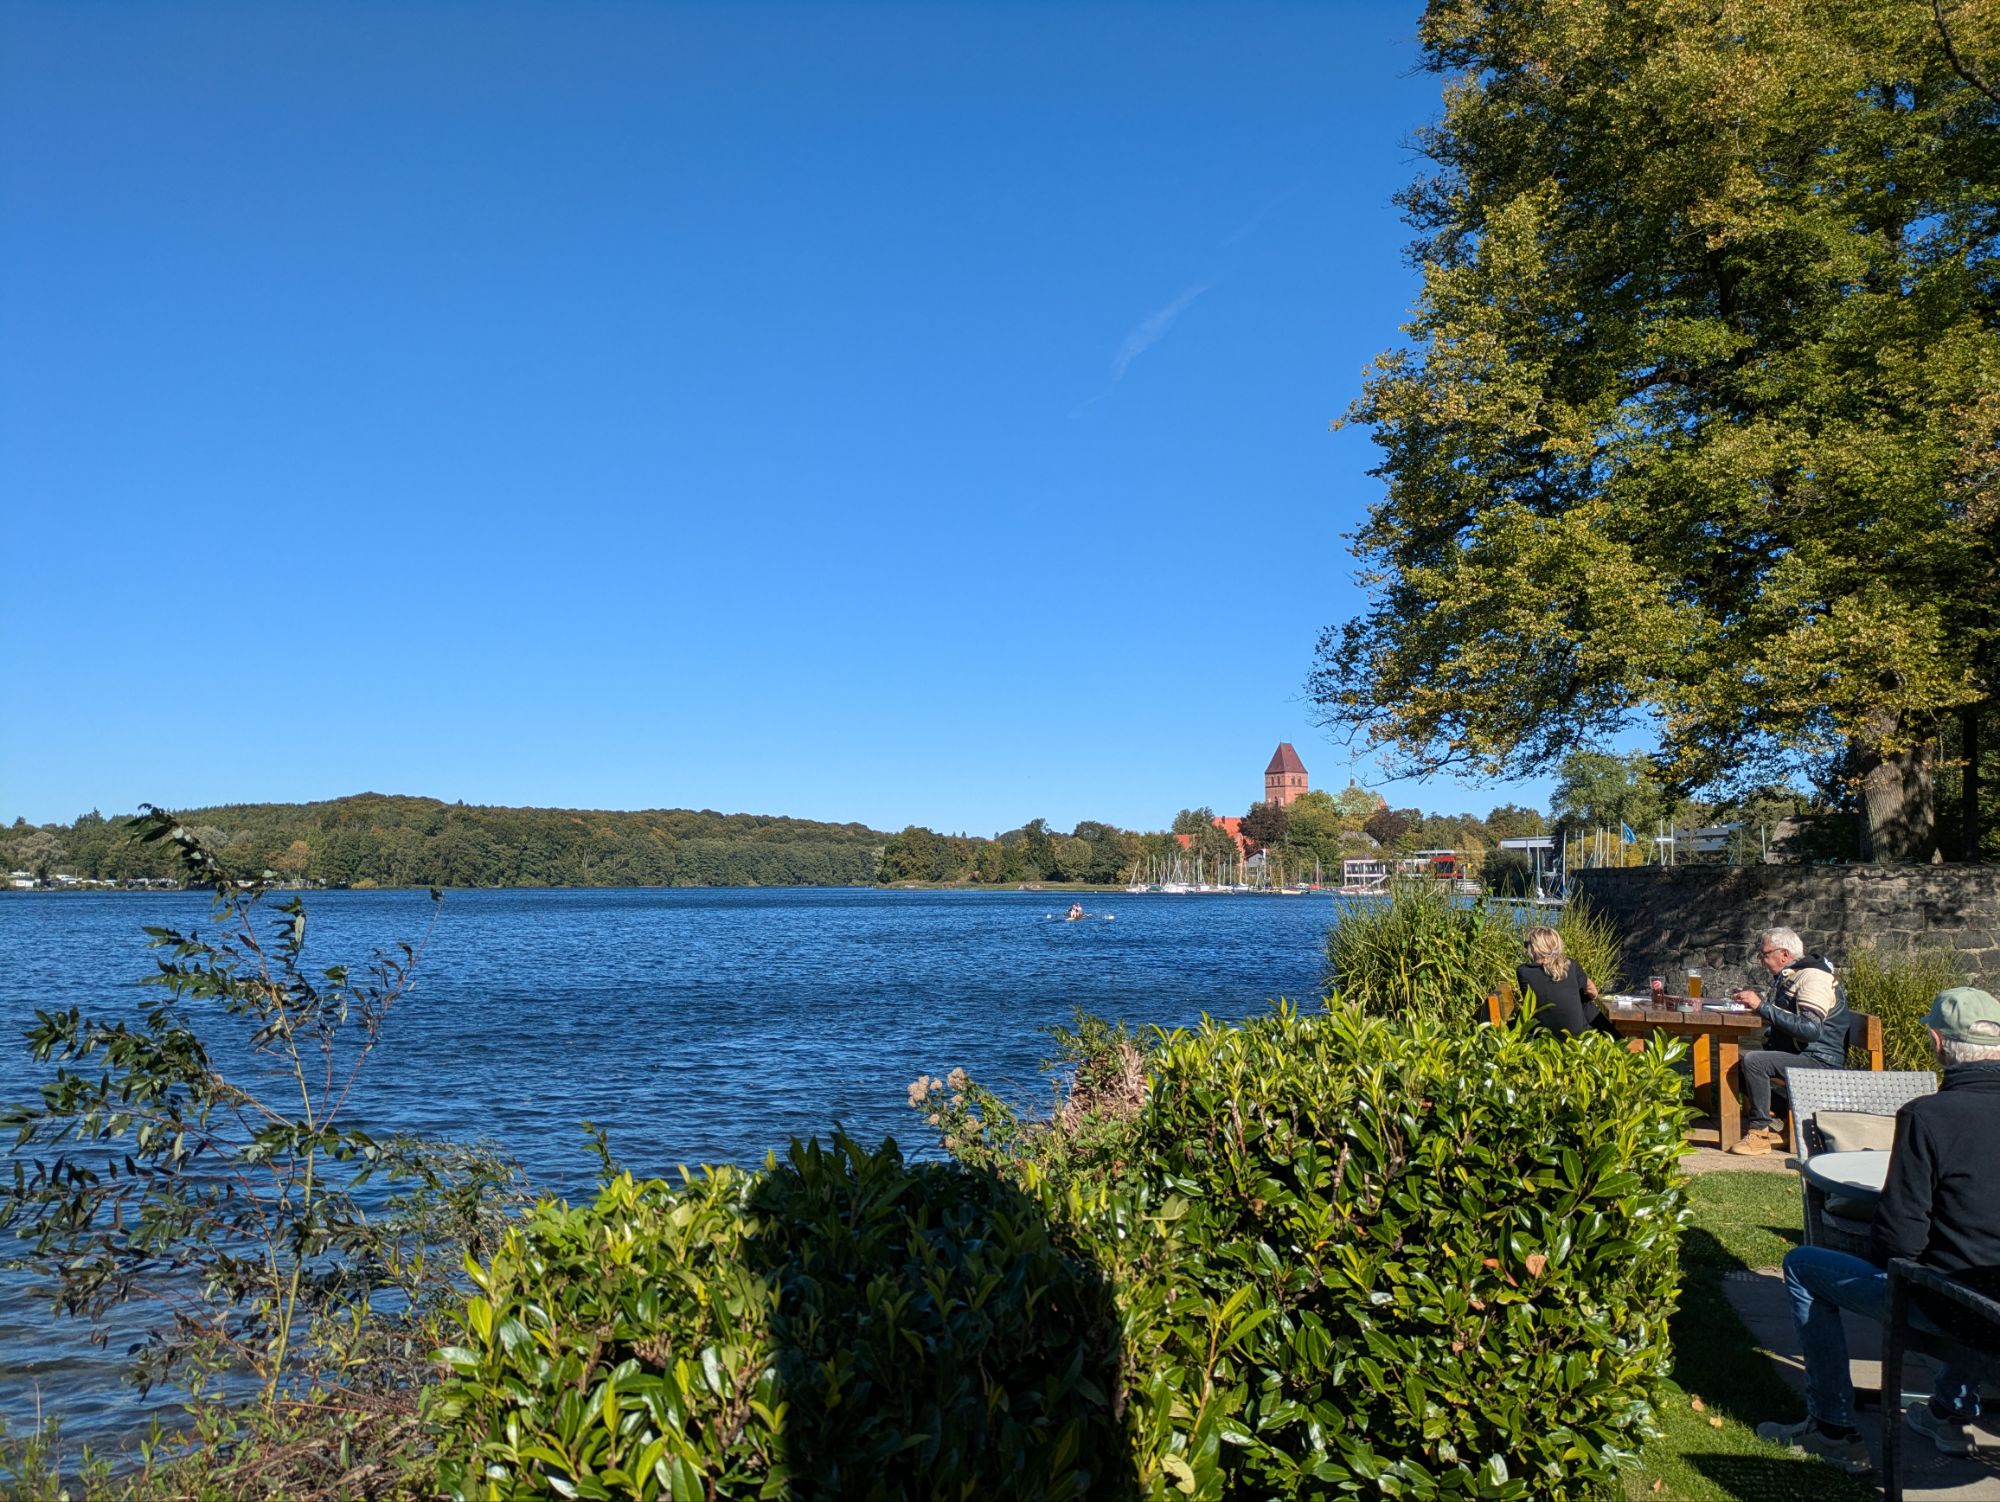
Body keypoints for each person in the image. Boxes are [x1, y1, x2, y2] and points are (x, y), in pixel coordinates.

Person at [1756, 986, 2000, 1471]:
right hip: (1992, 1296)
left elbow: (1898, 1241)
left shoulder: (1928, 1118)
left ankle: (1832, 1429)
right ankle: (1948, 1414)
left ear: (1936, 1041)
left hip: (1959, 1308)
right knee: (1972, 1262)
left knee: (1804, 1266)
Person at [1727, 927, 1852, 1156]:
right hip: (1806, 1053)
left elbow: (1810, 1030)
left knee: (1755, 1062)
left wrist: (1762, 1007)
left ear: (1784, 954)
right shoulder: (1794, 976)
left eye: (1765, 954)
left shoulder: (1813, 978)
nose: (1762, 960)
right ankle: (1786, 1123)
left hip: (1820, 1060)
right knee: (1734, 1064)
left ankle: (1759, 1134)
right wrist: (1757, 1009)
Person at [1515, 926, 1604, 1037]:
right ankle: (1619, 1039)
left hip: (1542, 1035)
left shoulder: (1523, 971)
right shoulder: (1571, 965)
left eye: (1527, 945)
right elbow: (1593, 992)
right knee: (1585, 1001)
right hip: (1577, 1037)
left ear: (1534, 948)